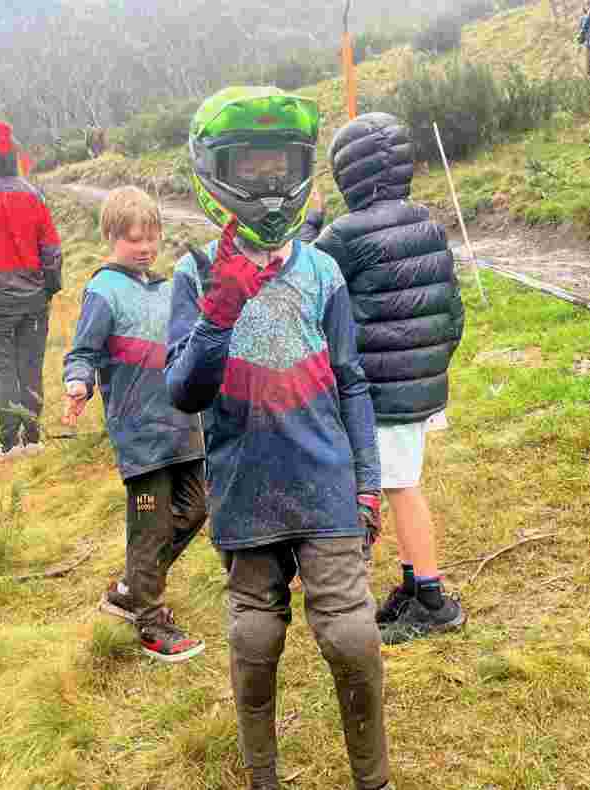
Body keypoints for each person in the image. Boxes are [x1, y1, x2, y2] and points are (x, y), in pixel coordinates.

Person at [166, 87, 391, 790]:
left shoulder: (322, 271)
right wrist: (217, 314)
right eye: (251, 166)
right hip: (244, 488)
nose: (268, 183)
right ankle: (261, 777)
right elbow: (184, 392)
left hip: (325, 482)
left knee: (352, 638)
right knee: (254, 638)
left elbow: (351, 381)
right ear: (214, 171)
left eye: (279, 165)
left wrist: (367, 482)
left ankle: (374, 780)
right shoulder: (194, 274)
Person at [309, 112, 466, 645]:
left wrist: (310, 225)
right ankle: (412, 583)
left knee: (400, 488)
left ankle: (433, 601)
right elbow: (453, 309)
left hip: (378, 391)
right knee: (404, 482)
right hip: (419, 383)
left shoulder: (345, 234)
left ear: (347, 173)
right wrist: (431, 366)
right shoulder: (427, 222)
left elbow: (305, 280)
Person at [63, 186, 207, 663]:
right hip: (141, 432)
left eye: (151, 237)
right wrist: (78, 383)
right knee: (150, 526)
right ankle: (149, 621)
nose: (145, 247)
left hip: (183, 422)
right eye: (133, 239)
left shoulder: (168, 289)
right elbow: (83, 351)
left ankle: (131, 588)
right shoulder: (104, 290)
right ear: (110, 237)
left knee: (196, 508)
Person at [0, 120, 62, 461]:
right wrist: (50, 287)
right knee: (31, 366)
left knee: (3, 368)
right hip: (34, 297)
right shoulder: (33, 194)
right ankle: (33, 438)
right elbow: (51, 248)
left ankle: (8, 443)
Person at [578, 5, 590, 76]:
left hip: (588, 39)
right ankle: (588, 71)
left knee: (588, 55)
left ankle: (588, 71)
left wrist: (581, 34)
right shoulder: (585, 17)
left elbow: (582, 28)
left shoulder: (583, 18)